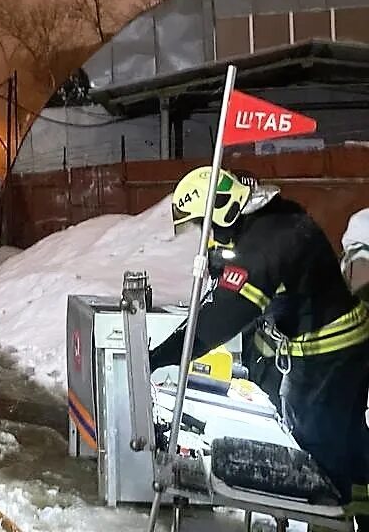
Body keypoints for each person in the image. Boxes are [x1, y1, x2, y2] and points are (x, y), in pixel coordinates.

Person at [149, 166, 369, 526]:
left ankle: (333, 520)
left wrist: (162, 355)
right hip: (347, 339)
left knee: (320, 446)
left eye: (205, 224)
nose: (206, 236)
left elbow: (219, 319)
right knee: (347, 436)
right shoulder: (271, 218)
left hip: (327, 352)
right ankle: (361, 505)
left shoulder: (264, 246)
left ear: (224, 209)